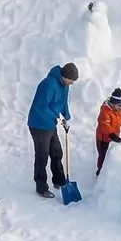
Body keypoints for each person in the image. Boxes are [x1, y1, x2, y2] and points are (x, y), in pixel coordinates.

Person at [27, 63, 78, 198]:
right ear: (64, 76)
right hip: (38, 124)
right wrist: (55, 117)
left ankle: (59, 180)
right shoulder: (48, 85)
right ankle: (41, 187)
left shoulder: (65, 85)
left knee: (56, 152)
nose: (72, 83)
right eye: (71, 80)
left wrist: (66, 116)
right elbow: (40, 106)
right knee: (42, 156)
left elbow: (63, 102)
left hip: (49, 124)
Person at [95, 88, 121, 174]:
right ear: (113, 103)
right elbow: (104, 125)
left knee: (111, 156)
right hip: (103, 139)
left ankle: (110, 173)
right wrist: (112, 136)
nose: (120, 107)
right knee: (103, 156)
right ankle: (100, 172)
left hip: (113, 138)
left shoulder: (119, 111)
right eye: (118, 105)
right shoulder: (105, 111)